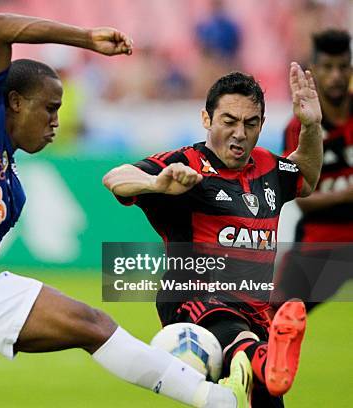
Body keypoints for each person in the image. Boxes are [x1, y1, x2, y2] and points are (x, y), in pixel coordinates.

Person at [0, 13, 251, 408]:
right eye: (50, 108)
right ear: (14, 101)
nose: (56, 122)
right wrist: (86, 39)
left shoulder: (11, 191)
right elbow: (0, 27)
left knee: (92, 323)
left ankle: (220, 400)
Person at [103, 63, 323, 407]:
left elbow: (306, 177)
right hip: (195, 302)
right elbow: (116, 176)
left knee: (261, 392)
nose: (240, 133)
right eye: (229, 121)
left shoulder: (268, 166)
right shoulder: (187, 164)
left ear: (262, 125)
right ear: (206, 119)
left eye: (251, 124)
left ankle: (258, 361)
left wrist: (310, 126)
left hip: (254, 315)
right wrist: (156, 183)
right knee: (237, 337)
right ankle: (254, 357)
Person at [274, 29, 352, 311]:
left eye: (343, 67)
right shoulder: (300, 128)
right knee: (279, 314)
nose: (336, 76)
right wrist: (345, 196)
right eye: (328, 67)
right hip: (320, 241)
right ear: (314, 70)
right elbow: (301, 198)